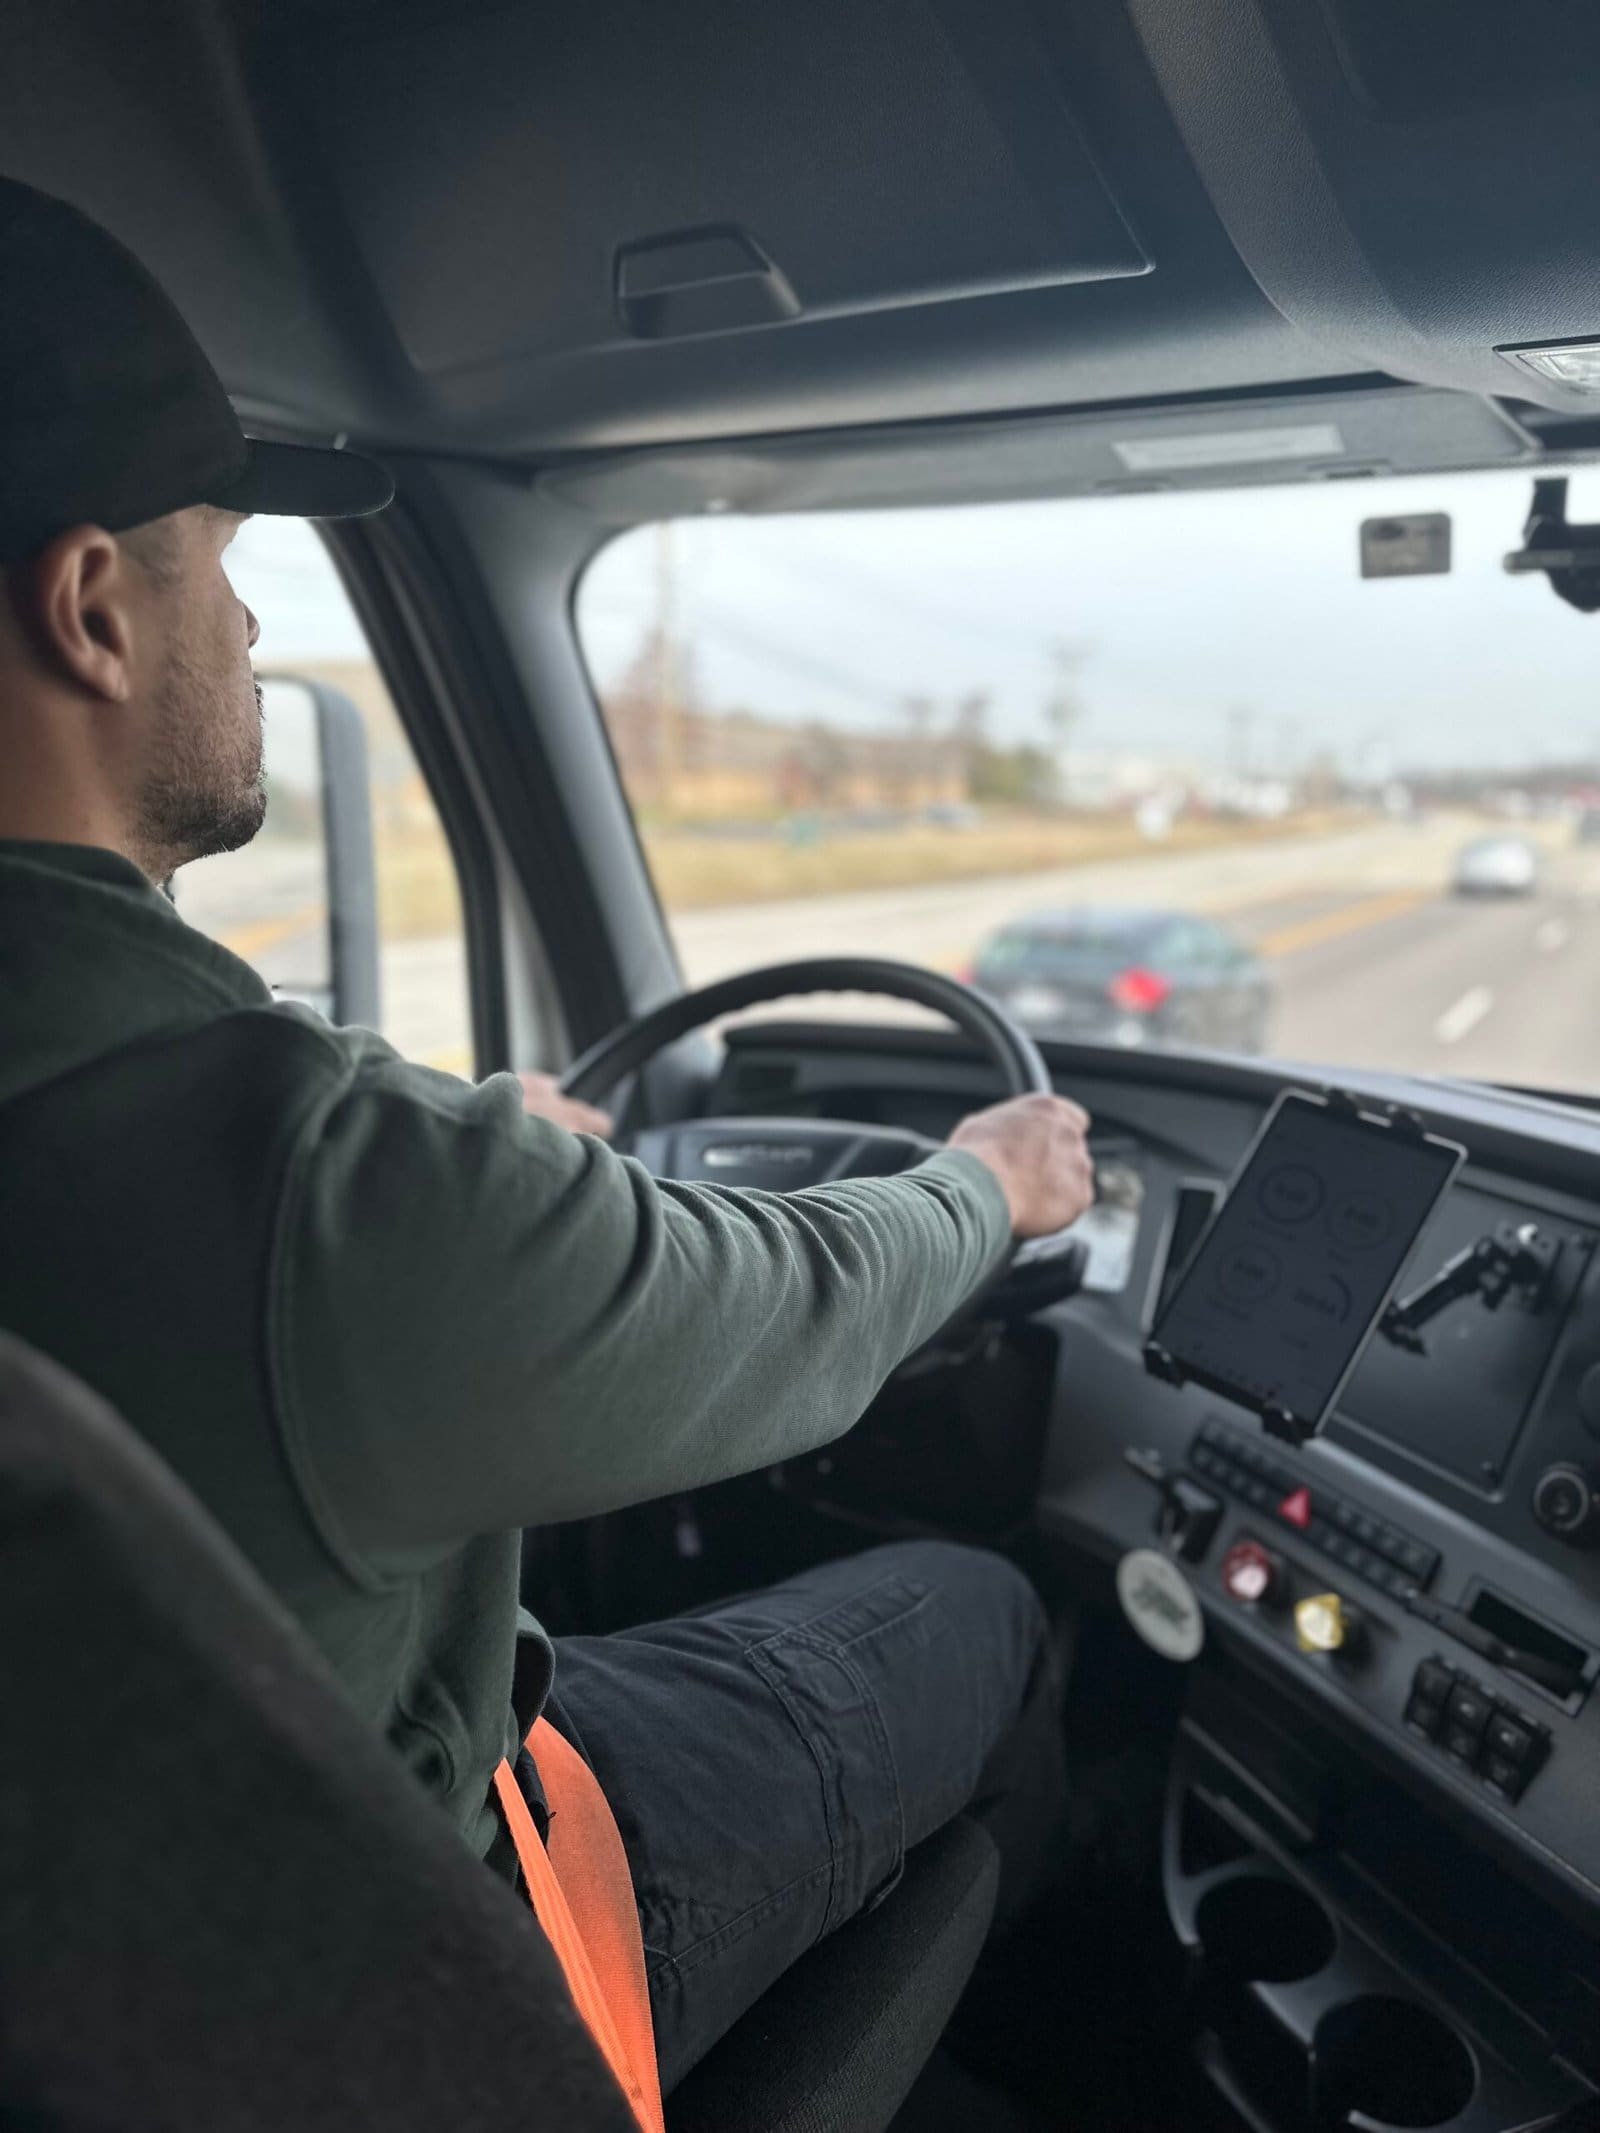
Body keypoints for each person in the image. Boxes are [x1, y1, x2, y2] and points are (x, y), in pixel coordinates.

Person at [0, 177, 1095, 2094]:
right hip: (420, 1961)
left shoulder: (329, 1180)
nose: (252, 622)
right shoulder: (308, 1183)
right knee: (989, 1608)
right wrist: (989, 1183)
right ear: (92, 608)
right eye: (225, 558)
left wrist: (487, 1158)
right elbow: (801, 1303)